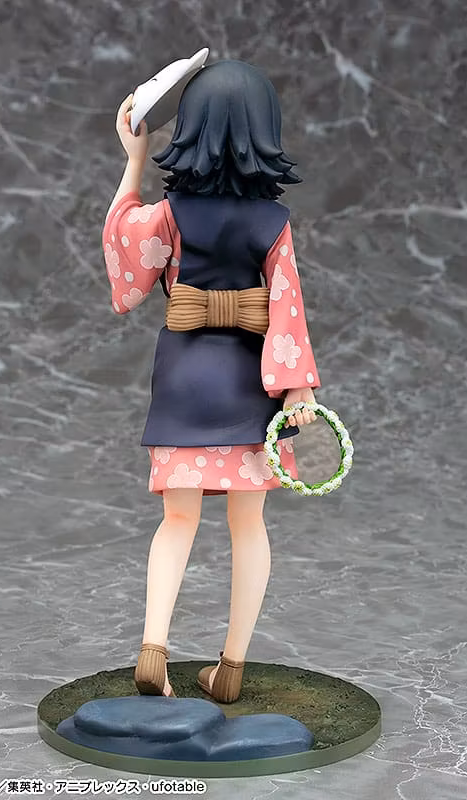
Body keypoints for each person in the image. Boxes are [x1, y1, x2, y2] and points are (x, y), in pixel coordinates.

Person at [103, 60, 321, 702]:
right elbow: (287, 309)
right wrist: (298, 388)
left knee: (177, 519)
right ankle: (231, 668)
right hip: (249, 386)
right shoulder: (273, 223)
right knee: (249, 524)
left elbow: (127, 265)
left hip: (185, 383)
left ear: (190, 129)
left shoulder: (171, 215)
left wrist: (133, 162)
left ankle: (152, 650)